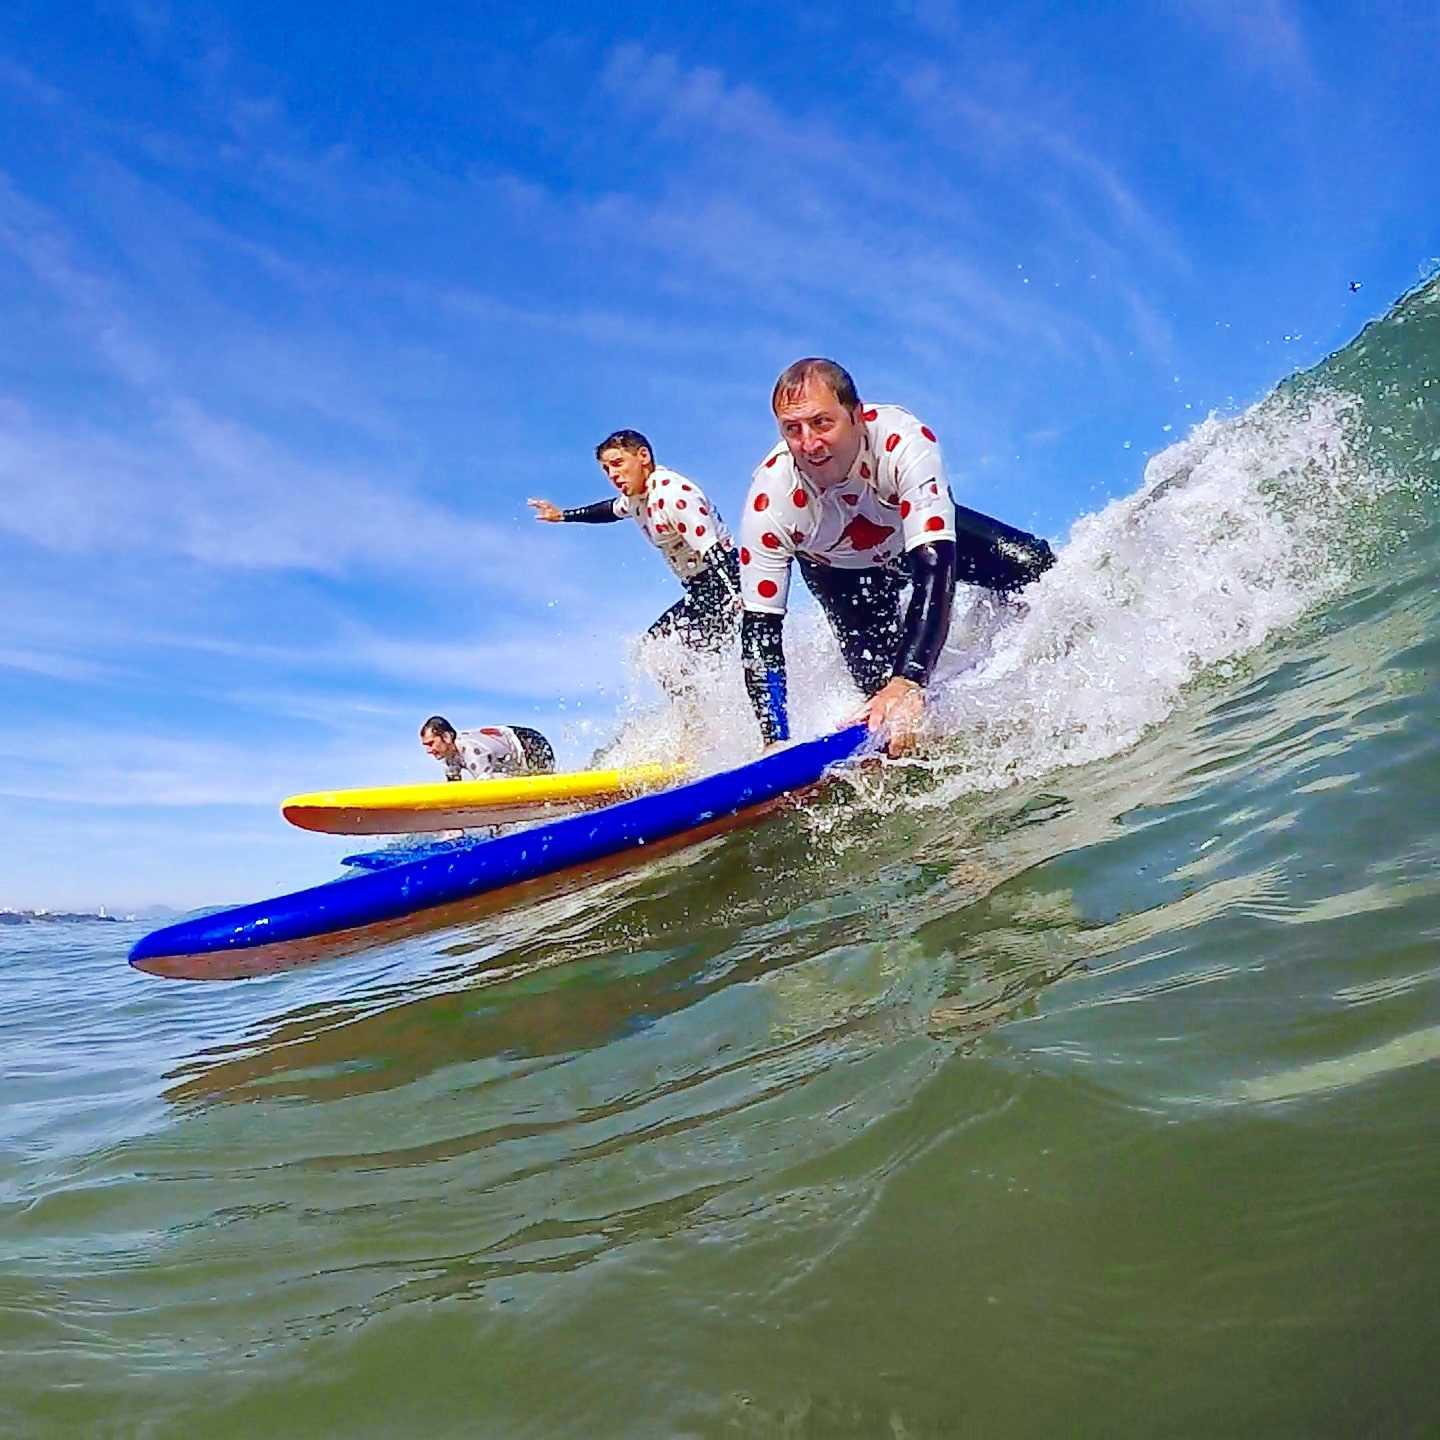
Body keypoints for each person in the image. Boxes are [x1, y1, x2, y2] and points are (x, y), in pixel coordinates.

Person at [738, 358, 1054, 757]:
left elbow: (935, 564)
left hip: (915, 543)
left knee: (1043, 571)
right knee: (883, 710)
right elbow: (760, 630)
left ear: (856, 415)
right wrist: (774, 740)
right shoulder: (771, 499)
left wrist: (909, 680)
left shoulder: (902, 440)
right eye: (793, 429)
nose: (809, 444)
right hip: (841, 580)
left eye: (822, 423)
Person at [529, 430, 741, 656]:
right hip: (699, 591)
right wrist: (563, 515)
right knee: (652, 651)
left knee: (669, 653)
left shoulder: (672, 495)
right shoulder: (636, 500)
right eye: (606, 469)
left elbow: (712, 550)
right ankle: (709, 691)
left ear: (643, 456)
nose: (613, 474)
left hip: (724, 583)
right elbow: (609, 510)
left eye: (618, 463)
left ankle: (721, 688)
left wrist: (740, 599)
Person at [420, 716, 555, 781]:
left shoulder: (472, 753)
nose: (428, 750)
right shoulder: (449, 759)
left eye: (431, 743)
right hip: (514, 743)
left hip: (529, 742)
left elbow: (490, 790)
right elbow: (454, 791)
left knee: (540, 780)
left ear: (447, 737)